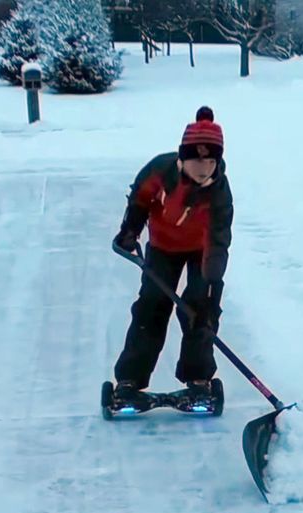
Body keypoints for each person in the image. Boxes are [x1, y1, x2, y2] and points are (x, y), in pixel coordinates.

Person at [111, 106, 234, 404]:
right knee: (152, 306)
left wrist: (209, 286)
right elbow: (140, 199)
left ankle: (199, 378)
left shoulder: (219, 192)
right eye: (197, 159)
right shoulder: (160, 170)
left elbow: (218, 243)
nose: (204, 167)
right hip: (163, 247)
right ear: (183, 157)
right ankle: (130, 379)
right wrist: (130, 231)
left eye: (211, 160)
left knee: (201, 312)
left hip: (202, 251)